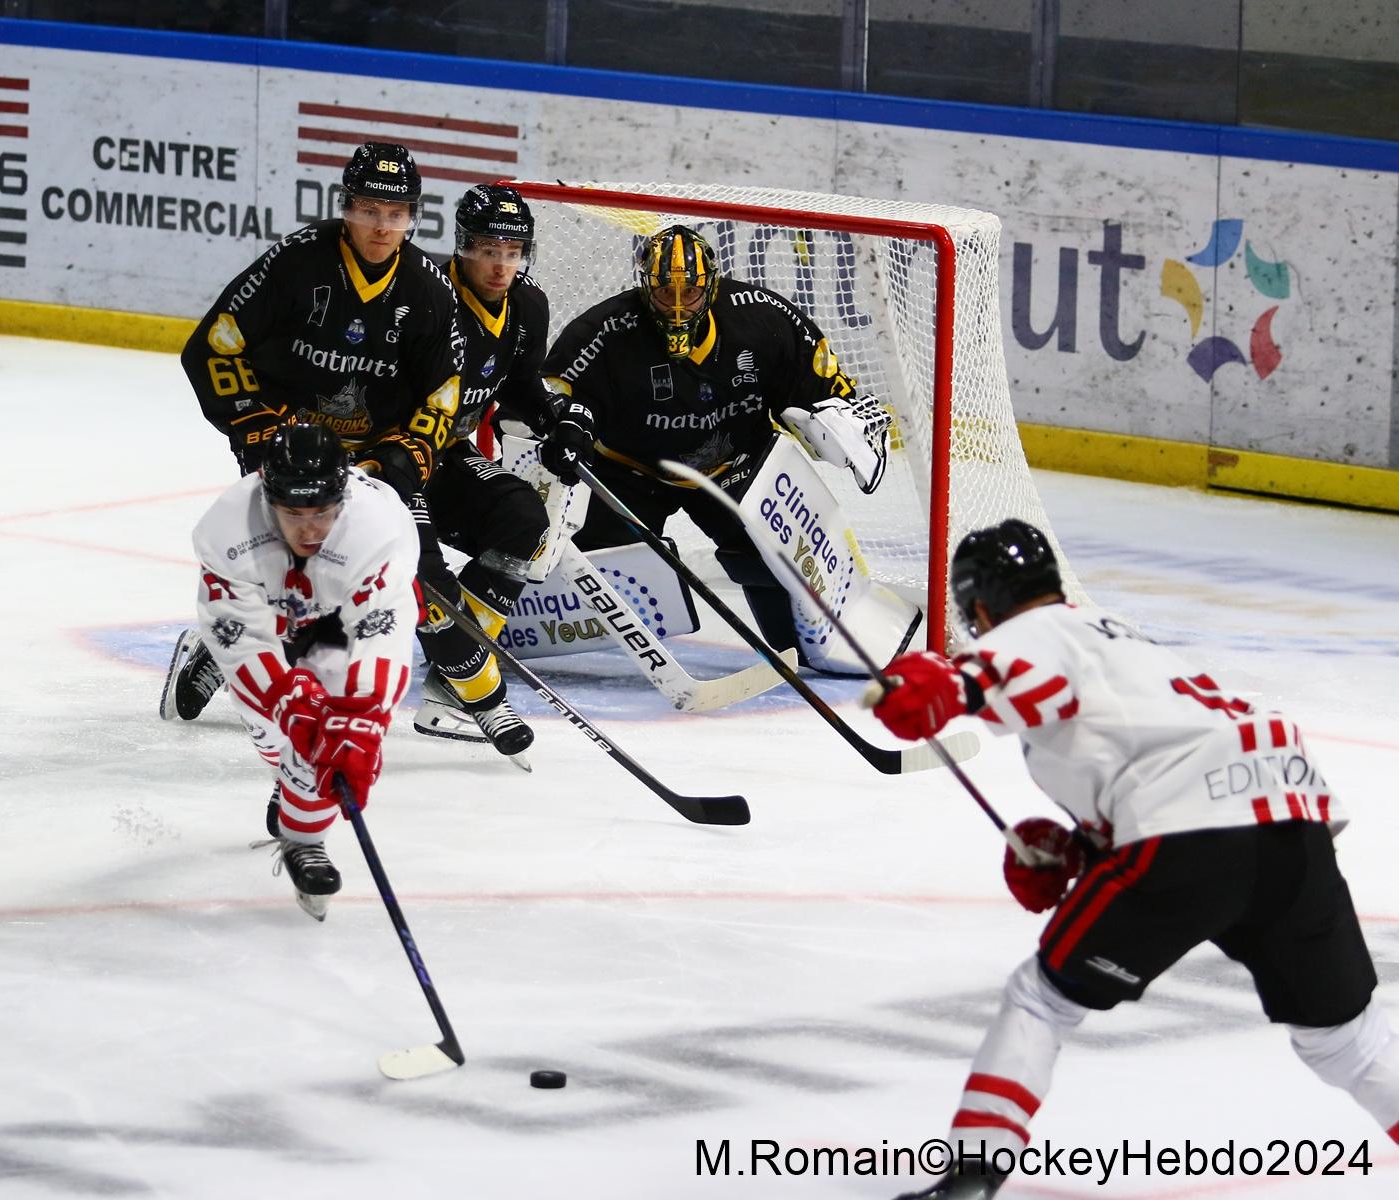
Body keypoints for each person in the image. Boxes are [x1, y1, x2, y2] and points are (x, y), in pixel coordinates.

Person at [868, 519, 1399, 1198]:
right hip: (1292, 823)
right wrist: (1080, 849)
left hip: (1193, 828)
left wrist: (945, 685)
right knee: (1347, 1043)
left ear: (978, 610)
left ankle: (971, 1181)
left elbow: (1017, 673)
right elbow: (1154, 749)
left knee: (1042, 1000)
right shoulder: (1120, 636)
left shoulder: (1035, 635)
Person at [164, 140, 463, 731]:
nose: (382, 225)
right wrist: (257, 428)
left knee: (391, 566)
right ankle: (217, 651)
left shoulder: (428, 288)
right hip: (292, 446)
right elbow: (215, 345)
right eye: (369, 209)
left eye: (395, 212)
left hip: (373, 455)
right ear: (346, 206)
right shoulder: (296, 262)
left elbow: (444, 391)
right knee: (281, 565)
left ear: (413, 216)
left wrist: (403, 458)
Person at [537, 223, 887, 653]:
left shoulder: (760, 318)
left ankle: (805, 636)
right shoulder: (605, 330)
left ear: (712, 286)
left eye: (692, 294)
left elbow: (822, 384)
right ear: (646, 288)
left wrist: (841, 420)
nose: (679, 308)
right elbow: (550, 392)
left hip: (733, 468)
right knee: (586, 584)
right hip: (631, 473)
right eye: (666, 294)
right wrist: (565, 423)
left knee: (781, 570)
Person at [188, 423, 419, 921]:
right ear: (269, 499)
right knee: (275, 729)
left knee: (331, 726)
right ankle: (282, 764)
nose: (309, 529)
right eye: (293, 514)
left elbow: (383, 637)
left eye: (322, 513)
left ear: (344, 498)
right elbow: (242, 638)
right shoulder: (227, 529)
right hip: (267, 612)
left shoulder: (377, 534)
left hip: (338, 618)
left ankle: (304, 841)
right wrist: (287, 700)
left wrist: (361, 719)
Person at [406, 184, 558, 760]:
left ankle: (452, 679)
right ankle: (224, 650)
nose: (501, 264)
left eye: (514, 250)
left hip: (442, 456)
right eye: (489, 249)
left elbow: (519, 388)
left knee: (523, 518)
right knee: (408, 575)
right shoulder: (424, 296)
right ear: (464, 246)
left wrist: (557, 419)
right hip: (388, 456)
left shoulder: (528, 305)